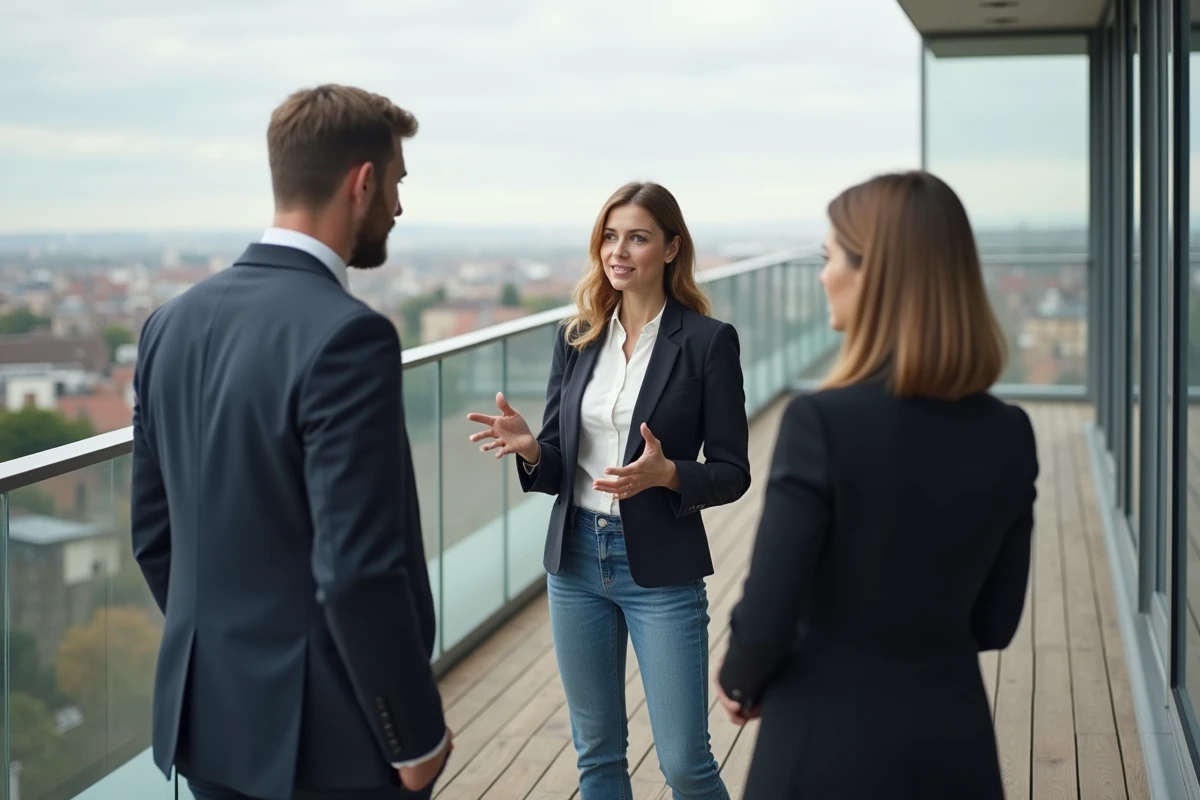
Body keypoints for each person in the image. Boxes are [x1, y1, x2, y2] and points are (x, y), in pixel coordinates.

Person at [131, 84, 451, 800]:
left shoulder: (168, 324)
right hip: (327, 741)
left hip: (207, 723)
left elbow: (155, 537)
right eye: (397, 183)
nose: (398, 207)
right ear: (362, 182)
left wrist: (231, 661)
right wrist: (416, 736)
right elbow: (358, 571)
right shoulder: (349, 335)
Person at [715, 170, 1038, 799]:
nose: (821, 275)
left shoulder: (820, 423)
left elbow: (765, 617)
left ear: (876, 274)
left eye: (829, 257)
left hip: (823, 748)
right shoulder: (1011, 432)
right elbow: (995, 623)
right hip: (956, 746)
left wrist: (740, 680)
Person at [465, 181, 750, 799]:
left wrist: (669, 473)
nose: (618, 252)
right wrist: (532, 448)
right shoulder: (578, 337)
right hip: (574, 563)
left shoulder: (707, 342)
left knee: (684, 764)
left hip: (661, 573)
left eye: (638, 237)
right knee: (597, 757)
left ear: (672, 248)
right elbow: (559, 460)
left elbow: (732, 471)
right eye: (610, 236)